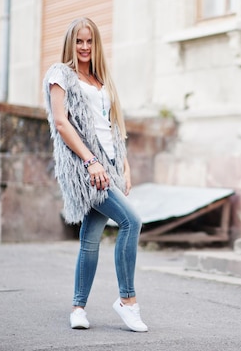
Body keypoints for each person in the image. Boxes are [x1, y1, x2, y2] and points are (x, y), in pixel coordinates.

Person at [43, 17, 147, 332]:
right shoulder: (61, 74)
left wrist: (124, 165)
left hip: (110, 167)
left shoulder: (102, 80)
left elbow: (114, 127)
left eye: (89, 41)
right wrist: (91, 162)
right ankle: (127, 301)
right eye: (79, 41)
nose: (85, 47)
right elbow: (61, 123)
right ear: (70, 44)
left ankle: (78, 308)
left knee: (90, 238)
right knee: (132, 221)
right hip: (87, 169)